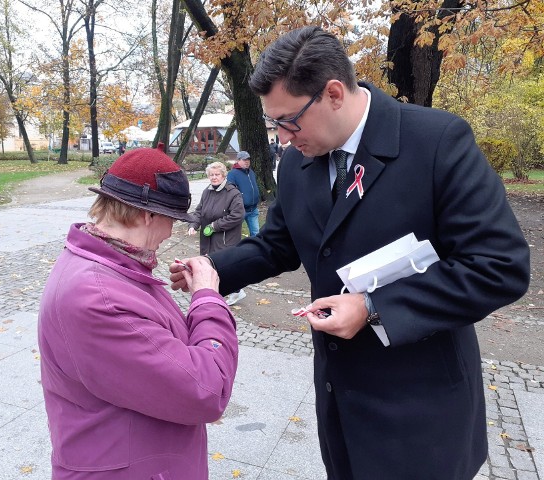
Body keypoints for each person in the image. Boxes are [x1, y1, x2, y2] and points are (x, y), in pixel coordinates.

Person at [170, 26, 530, 480]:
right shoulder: (300, 163)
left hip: (423, 408)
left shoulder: (436, 141)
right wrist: (209, 270)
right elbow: (280, 242)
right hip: (340, 400)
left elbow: (501, 266)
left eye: (288, 121)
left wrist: (374, 307)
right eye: (274, 124)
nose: (281, 138)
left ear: (334, 93)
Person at [39, 144, 239, 480]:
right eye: (171, 220)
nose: (171, 232)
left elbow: (166, 357)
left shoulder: (110, 267)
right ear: (148, 215)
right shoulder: (99, 297)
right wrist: (206, 297)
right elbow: (207, 389)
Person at [188, 161, 246, 305]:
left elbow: (238, 215)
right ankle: (222, 293)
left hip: (225, 239)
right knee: (210, 264)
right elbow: (199, 211)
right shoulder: (207, 191)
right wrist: (193, 225)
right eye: (211, 175)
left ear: (223, 175)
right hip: (207, 239)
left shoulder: (233, 193)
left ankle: (233, 291)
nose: (214, 177)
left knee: (222, 267)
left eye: (217, 174)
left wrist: (215, 226)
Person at [227, 150, 260, 237]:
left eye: (248, 159)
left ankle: (254, 250)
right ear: (238, 160)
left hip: (253, 209)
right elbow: (230, 191)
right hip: (240, 210)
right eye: (244, 160)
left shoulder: (251, 172)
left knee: (256, 234)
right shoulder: (232, 174)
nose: (247, 162)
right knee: (234, 234)